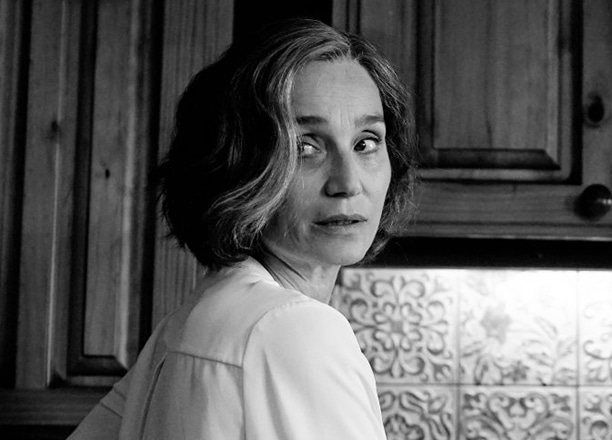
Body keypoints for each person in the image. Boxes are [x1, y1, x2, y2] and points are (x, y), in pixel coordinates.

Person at [68, 17, 416, 439]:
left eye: (366, 142)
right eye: (305, 146)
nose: (348, 183)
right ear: (237, 165)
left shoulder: (187, 325)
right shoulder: (295, 329)